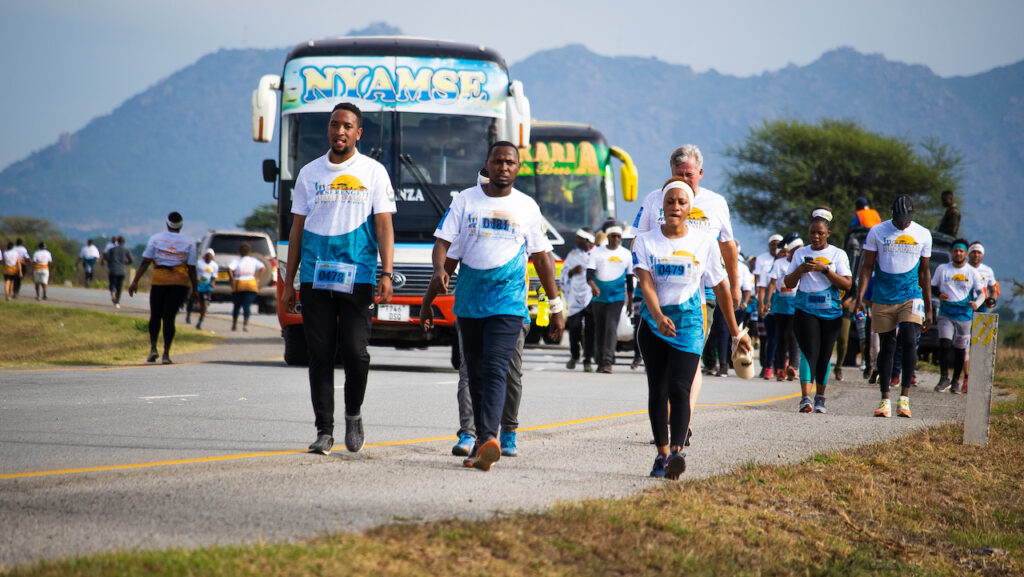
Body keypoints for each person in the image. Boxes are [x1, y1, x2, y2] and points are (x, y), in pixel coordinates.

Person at [421, 141, 563, 472]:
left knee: (496, 369)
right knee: (475, 373)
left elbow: (542, 258)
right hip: (470, 304)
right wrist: (433, 286)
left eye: (509, 162)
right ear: (487, 163)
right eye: (497, 161)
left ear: (517, 167)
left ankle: (489, 438)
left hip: (508, 304)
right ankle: (483, 445)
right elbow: (443, 245)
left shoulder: (527, 207)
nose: (503, 166)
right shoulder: (465, 201)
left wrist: (556, 306)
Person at [281, 102, 396, 456]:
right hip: (316, 277)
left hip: (358, 276)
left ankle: (354, 413)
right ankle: (324, 430)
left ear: (358, 133)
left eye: (347, 126)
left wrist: (387, 272)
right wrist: (289, 282)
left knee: (355, 352)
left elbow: (384, 226)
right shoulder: (308, 174)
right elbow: (297, 229)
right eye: (334, 125)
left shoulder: (374, 172)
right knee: (319, 353)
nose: (340, 131)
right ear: (328, 130)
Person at [632, 178, 751, 479]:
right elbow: (645, 283)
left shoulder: (704, 243)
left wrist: (736, 332)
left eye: (681, 202)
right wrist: (658, 315)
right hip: (653, 324)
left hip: (688, 325)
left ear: (690, 208)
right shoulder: (646, 242)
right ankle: (661, 455)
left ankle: (676, 454)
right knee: (658, 389)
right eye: (670, 201)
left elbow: (721, 288)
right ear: (662, 206)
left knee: (680, 389)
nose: (675, 207)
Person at [855, 195, 932, 419]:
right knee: (886, 347)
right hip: (883, 295)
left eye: (906, 220)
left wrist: (928, 308)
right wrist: (860, 296)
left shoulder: (922, 234)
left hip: (911, 295)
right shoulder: (877, 232)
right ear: (892, 214)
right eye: (898, 220)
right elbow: (867, 267)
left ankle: (905, 399)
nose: (902, 224)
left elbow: (925, 273)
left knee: (909, 341)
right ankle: (885, 398)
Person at [783, 208, 852, 413]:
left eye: (820, 233)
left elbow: (847, 284)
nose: (815, 236)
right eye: (812, 232)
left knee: (823, 355)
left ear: (828, 234)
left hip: (830, 312)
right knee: (808, 351)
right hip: (805, 309)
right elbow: (788, 281)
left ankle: (820, 396)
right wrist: (799, 271)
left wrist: (825, 270)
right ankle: (806, 398)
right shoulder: (800, 253)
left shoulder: (837, 254)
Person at [128, 212, 199, 364]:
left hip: (159, 280)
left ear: (167, 224)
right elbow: (192, 268)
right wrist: (195, 289)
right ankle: (166, 354)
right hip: (179, 283)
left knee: (155, 315)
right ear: (181, 225)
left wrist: (135, 281)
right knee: (169, 318)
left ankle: (153, 348)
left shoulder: (156, 239)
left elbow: (145, 262)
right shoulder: (189, 242)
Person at [932, 238, 985, 394]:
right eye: (956, 250)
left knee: (960, 349)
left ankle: (956, 380)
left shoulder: (972, 272)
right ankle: (944, 377)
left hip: (964, 315)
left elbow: (982, 292)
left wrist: (977, 303)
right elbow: (933, 287)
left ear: (966, 254)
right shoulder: (943, 269)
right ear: (952, 252)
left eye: (961, 251)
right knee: (944, 344)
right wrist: (939, 294)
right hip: (946, 313)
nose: (958, 253)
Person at [587, 225, 633, 373]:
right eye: (613, 236)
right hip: (599, 297)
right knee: (600, 328)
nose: (616, 239)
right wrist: (593, 286)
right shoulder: (597, 252)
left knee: (611, 327)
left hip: (617, 297)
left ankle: (607, 361)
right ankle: (600, 360)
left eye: (619, 237)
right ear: (607, 237)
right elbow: (589, 274)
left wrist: (630, 302)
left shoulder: (626, 254)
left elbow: (630, 279)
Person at [765, 234, 802, 381]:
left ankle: (793, 367)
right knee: (782, 337)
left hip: (796, 304)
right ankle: (780, 368)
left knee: (793, 336)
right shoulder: (779, 263)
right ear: (790, 250)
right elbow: (773, 283)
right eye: (795, 250)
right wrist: (768, 300)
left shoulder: (802, 264)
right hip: (781, 305)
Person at [563, 228, 596, 372]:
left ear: (587, 240)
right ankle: (574, 355)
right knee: (574, 329)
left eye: (578, 238)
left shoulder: (597, 254)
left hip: (591, 297)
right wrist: (572, 271)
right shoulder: (572, 255)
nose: (576, 241)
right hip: (575, 298)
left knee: (589, 331)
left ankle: (587, 360)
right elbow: (564, 274)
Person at [755, 234, 783, 378]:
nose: (775, 247)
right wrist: (761, 302)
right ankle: (766, 365)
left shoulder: (785, 262)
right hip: (766, 302)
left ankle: (779, 365)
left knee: (780, 337)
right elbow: (760, 284)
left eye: (778, 244)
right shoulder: (762, 259)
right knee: (766, 336)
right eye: (773, 244)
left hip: (782, 303)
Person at [227, 242, 265, 332]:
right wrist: (257, 279)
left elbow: (229, 269)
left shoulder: (236, 260)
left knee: (237, 305)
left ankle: (234, 323)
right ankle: (245, 324)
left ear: (239, 251)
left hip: (239, 284)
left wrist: (232, 278)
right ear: (249, 251)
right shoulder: (253, 260)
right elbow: (263, 268)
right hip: (251, 284)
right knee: (246, 306)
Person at [967, 243, 999, 313]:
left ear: (982, 255)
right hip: (965, 305)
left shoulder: (987, 270)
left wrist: (992, 301)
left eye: (979, 252)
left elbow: (993, 290)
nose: (976, 255)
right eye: (973, 252)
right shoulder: (962, 269)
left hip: (981, 307)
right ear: (968, 253)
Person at [193, 248, 219, 330]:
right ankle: (189, 314)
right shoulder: (199, 263)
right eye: (207, 256)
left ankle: (200, 322)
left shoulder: (214, 266)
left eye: (210, 256)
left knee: (205, 305)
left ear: (212, 257)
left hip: (207, 288)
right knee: (197, 305)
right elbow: (193, 272)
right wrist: (196, 280)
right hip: (198, 287)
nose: (208, 258)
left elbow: (214, 277)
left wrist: (212, 282)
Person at [105, 236, 133, 308]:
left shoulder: (112, 249)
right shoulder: (126, 250)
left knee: (112, 284)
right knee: (119, 287)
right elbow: (131, 260)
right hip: (122, 270)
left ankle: (112, 291)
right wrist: (126, 263)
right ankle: (117, 302)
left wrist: (110, 262)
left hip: (113, 269)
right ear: (124, 242)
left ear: (117, 241)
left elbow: (106, 256)